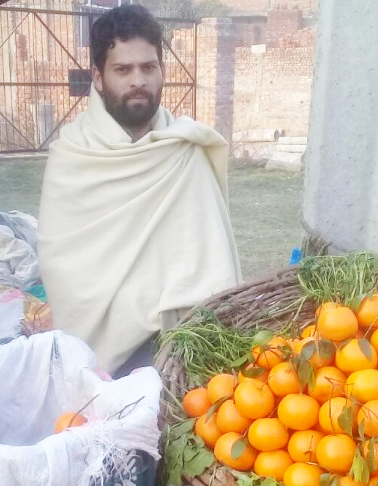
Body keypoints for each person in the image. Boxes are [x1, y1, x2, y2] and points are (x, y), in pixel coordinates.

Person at [37, 4, 242, 377]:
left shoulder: (185, 148)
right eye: (123, 69)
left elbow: (213, 268)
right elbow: (63, 267)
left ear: (162, 70)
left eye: (149, 67)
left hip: (185, 348)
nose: (138, 81)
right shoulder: (73, 156)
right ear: (98, 77)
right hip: (105, 360)